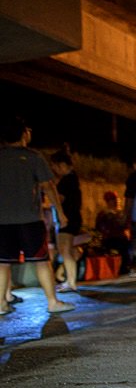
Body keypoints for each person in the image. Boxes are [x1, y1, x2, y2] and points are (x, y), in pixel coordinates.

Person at [0, 116, 75, 314]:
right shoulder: (33, 157)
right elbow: (49, 187)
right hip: (30, 219)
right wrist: (60, 213)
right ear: (24, 134)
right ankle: (52, 302)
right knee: (41, 261)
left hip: (2, 221)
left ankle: (0, 304)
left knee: (2, 263)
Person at [50, 145, 83, 293]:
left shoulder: (67, 180)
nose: (54, 170)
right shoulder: (73, 178)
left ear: (62, 165)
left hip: (67, 218)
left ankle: (70, 281)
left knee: (65, 250)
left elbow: (60, 199)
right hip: (73, 217)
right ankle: (70, 280)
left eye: (54, 166)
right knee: (67, 250)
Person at [95, 190, 130, 274]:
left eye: (115, 199)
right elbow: (99, 227)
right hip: (110, 239)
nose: (115, 201)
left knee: (125, 248)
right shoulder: (103, 214)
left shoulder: (121, 213)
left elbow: (126, 225)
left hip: (120, 238)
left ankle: (124, 268)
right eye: (112, 199)